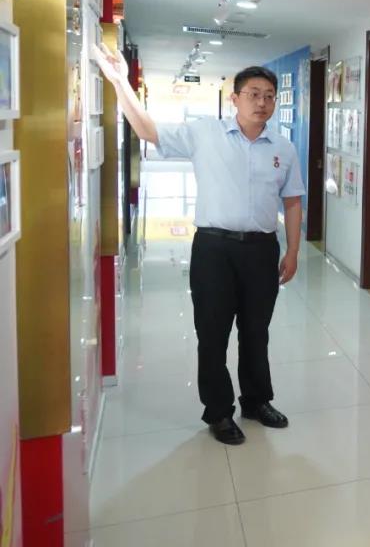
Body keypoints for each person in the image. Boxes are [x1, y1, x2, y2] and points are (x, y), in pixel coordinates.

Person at [91, 45, 305, 446]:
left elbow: (292, 201)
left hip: (262, 251)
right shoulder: (205, 132)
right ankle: (219, 411)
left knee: (256, 332)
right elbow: (147, 130)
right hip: (214, 250)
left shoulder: (283, 148)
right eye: (254, 94)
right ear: (235, 98)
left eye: (269, 96)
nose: (262, 102)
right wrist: (119, 81)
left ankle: (256, 400)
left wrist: (292, 251)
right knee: (212, 332)